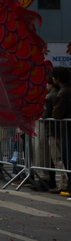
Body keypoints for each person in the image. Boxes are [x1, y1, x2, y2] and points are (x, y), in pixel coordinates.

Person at [51, 68, 71, 197]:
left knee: (67, 158)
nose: (52, 79)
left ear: (58, 79)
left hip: (67, 129)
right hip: (66, 127)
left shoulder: (63, 92)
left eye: (53, 77)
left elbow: (56, 113)